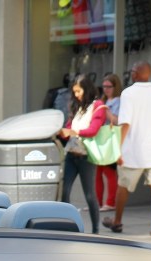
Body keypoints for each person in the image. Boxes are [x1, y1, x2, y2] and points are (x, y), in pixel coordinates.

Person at [102, 61, 151, 237]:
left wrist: (118, 148)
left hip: (133, 150)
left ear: (136, 74)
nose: (131, 73)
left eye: (132, 71)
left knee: (123, 186)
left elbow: (125, 123)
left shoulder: (128, 93)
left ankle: (117, 222)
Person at [58, 73, 107, 234]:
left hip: (86, 157)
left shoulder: (98, 106)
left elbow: (93, 130)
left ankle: (95, 230)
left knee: (90, 195)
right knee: (65, 192)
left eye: (79, 91)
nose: (76, 95)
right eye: (75, 92)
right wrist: (62, 131)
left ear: (87, 89)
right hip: (71, 154)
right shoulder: (77, 107)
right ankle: (68, 226)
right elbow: (68, 127)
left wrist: (72, 131)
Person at [95, 73, 123, 211]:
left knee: (109, 172)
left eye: (109, 87)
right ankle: (97, 202)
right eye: (104, 86)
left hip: (110, 138)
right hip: (100, 138)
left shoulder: (117, 101)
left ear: (115, 87)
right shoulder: (104, 100)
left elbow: (117, 121)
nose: (105, 89)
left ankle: (110, 202)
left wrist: (105, 110)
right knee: (97, 172)